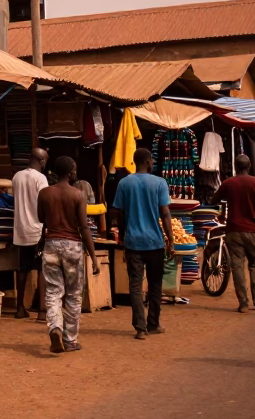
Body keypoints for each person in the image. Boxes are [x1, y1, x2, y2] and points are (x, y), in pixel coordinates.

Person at [36, 156, 101, 352]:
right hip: (72, 246)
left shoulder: (45, 193)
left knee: (53, 292)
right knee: (73, 294)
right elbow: (84, 227)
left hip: (51, 244)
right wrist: (93, 256)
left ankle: (55, 327)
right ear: (72, 172)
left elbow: (41, 218)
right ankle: (70, 340)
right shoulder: (78, 195)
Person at [111, 148, 173, 340]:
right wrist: (171, 240)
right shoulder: (160, 183)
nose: (153, 163)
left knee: (135, 285)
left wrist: (123, 236)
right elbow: (165, 213)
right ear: (147, 162)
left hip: (133, 243)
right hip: (154, 242)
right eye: (152, 160)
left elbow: (119, 213)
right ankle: (153, 323)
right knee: (155, 284)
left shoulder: (124, 183)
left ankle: (140, 327)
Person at [211, 155, 255, 313]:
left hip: (234, 230)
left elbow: (213, 200)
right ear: (249, 166)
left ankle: (243, 303)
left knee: (237, 266)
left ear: (235, 166)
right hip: (253, 230)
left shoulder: (228, 183)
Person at [11, 148, 50, 321]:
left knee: (22, 269)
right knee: (41, 269)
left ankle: (20, 308)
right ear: (41, 161)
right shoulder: (40, 178)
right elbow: (45, 203)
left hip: (20, 230)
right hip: (37, 230)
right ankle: (42, 311)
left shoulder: (16, 177)